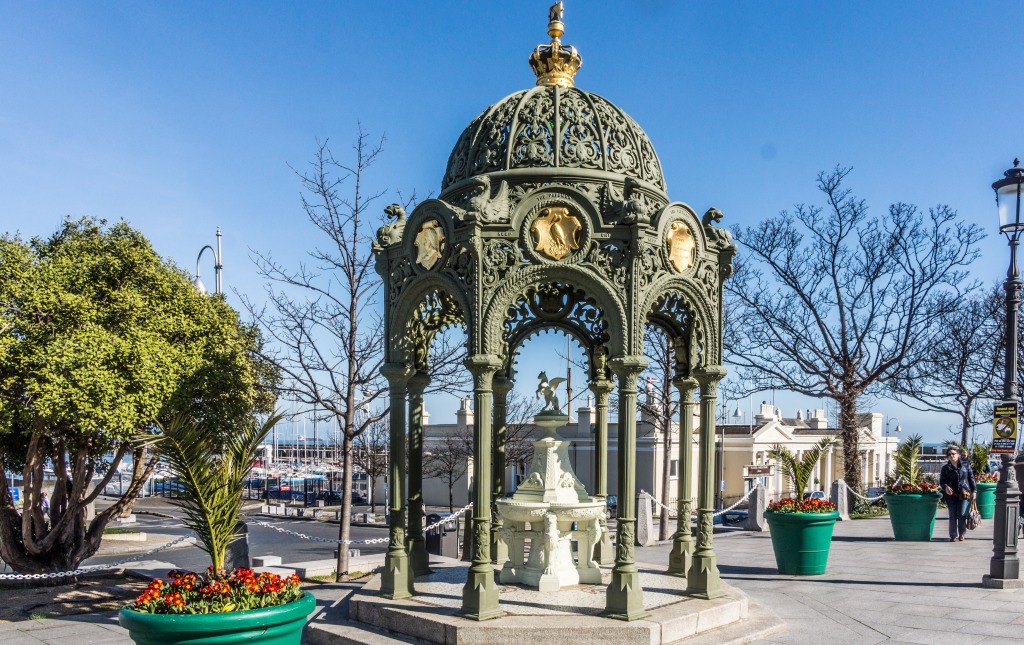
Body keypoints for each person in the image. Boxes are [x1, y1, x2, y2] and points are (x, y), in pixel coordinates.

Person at [939, 446, 975, 542]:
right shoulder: (945, 468)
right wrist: (946, 487)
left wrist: (974, 491)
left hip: (964, 493)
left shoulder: (966, 465)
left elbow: (971, 479)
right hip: (950, 495)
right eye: (949, 454)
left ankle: (962, 533)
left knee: (962, 514)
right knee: (953, 514)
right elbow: (942, 481)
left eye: (953, 454)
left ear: (958, 455)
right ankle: (953, 535)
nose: (951, 456)